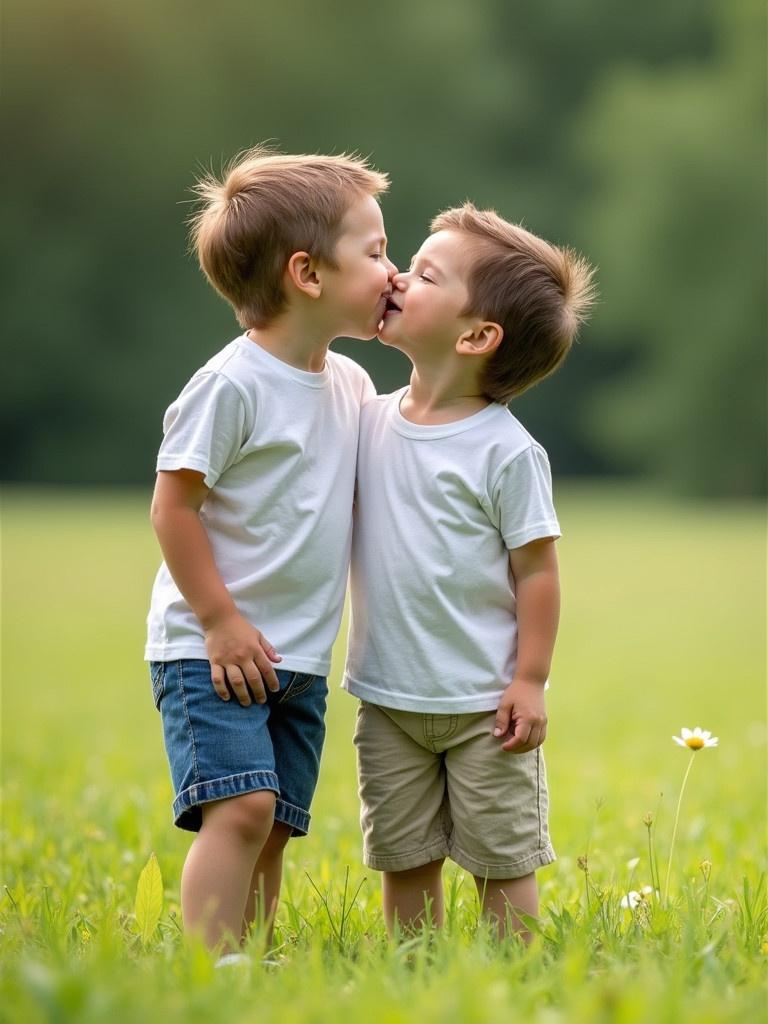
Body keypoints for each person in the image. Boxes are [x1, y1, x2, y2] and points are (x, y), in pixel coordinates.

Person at [145, 146, 397, 954]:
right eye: (377, 251)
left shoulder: (351, 386)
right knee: (242, 808)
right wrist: (218, 619)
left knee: (277, 822)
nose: (392, 272)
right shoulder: (232, 385)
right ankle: (208, 969)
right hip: (211, 649)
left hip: (298, 656)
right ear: (308, 275)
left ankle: (250, 959)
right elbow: (172, 504)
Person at [343, 202, 595, 940]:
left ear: (477, 335)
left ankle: (512, 971)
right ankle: (416, 971)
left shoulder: (505, 451)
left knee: (501, 857)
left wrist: (531, 678)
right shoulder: (366, 420)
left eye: (423, 274)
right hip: (389, 696)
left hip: (488, 707)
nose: (394, 275)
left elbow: (538, 573)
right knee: (405, 855)